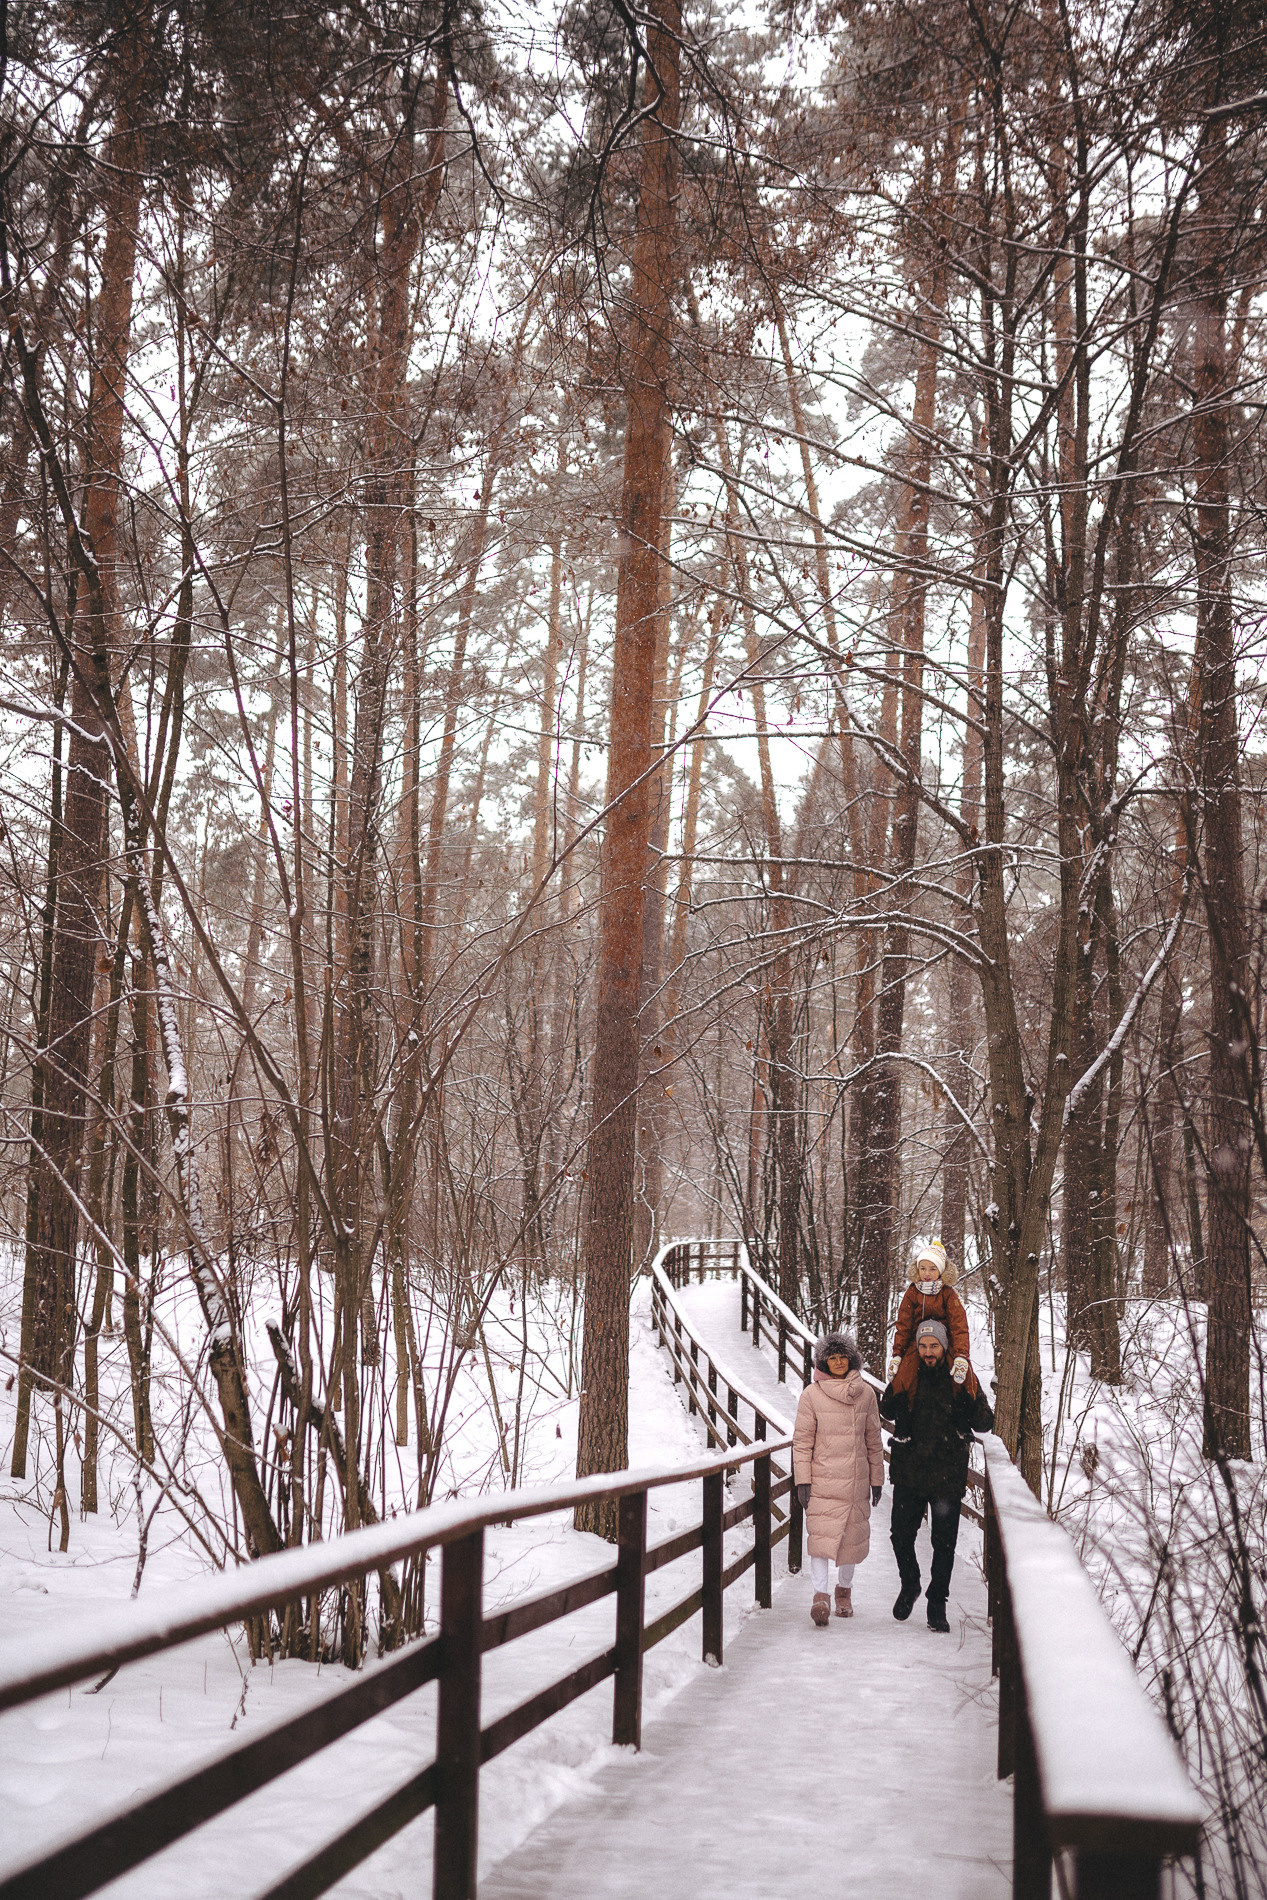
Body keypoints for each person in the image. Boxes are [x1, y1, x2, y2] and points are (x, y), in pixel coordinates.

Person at [879, 1317, 993, 1633]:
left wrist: (968, 1403)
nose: (929, 1351)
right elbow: (886, 1409)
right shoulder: (907, 1372)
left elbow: (985, 1421)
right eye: (924, 1345)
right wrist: (897, 1392)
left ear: (944, 1346)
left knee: (944, 1544)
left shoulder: (961, 1375)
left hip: (947, 1473)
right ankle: (911, 1582)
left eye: (934, 1345)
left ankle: (936, 1603)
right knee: (900, 1535)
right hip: (910, 1472)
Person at [793, 1331, 885, 1627]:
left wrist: (877, 1480)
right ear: (823, 1361)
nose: (837, 1362)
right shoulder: (811, 1395)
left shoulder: (867, 1394)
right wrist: (802, 1480)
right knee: (820, 1539)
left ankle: (843, 1592)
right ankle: (820, 1596)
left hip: (856, 1481)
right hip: (822, 1481)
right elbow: (802, 1442)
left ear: (851, 1358)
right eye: (831, 1357)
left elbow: (874, 1439)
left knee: (849, 1541)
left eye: (842, 1356)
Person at [887, 1238, 979, 1400]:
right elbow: (903, 1325)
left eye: (932, 1269)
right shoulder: (912, 1292)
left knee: (962, 1378)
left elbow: (959, 1326)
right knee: (905, 1374)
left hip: (944, 1342)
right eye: (923, 1268)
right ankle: (897, 1401)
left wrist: (961, 1356)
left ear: (940, 1270)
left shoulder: (948, 1293)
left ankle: (969, 1400)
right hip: (918, 1342)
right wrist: (897, 1354)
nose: (927, 1273)